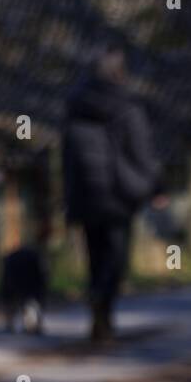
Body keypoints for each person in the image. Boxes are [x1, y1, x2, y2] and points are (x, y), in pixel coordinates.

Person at [63, 31, 165, 343]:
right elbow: (143, 152)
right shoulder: (128, 108)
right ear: (119, 72)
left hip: (85, 196)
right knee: (116, 259)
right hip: (119, 197)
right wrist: (157, 187)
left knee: (96, 257)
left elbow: (67, 157)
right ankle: (103, 303)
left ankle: (98, 304)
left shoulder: (74, 108)